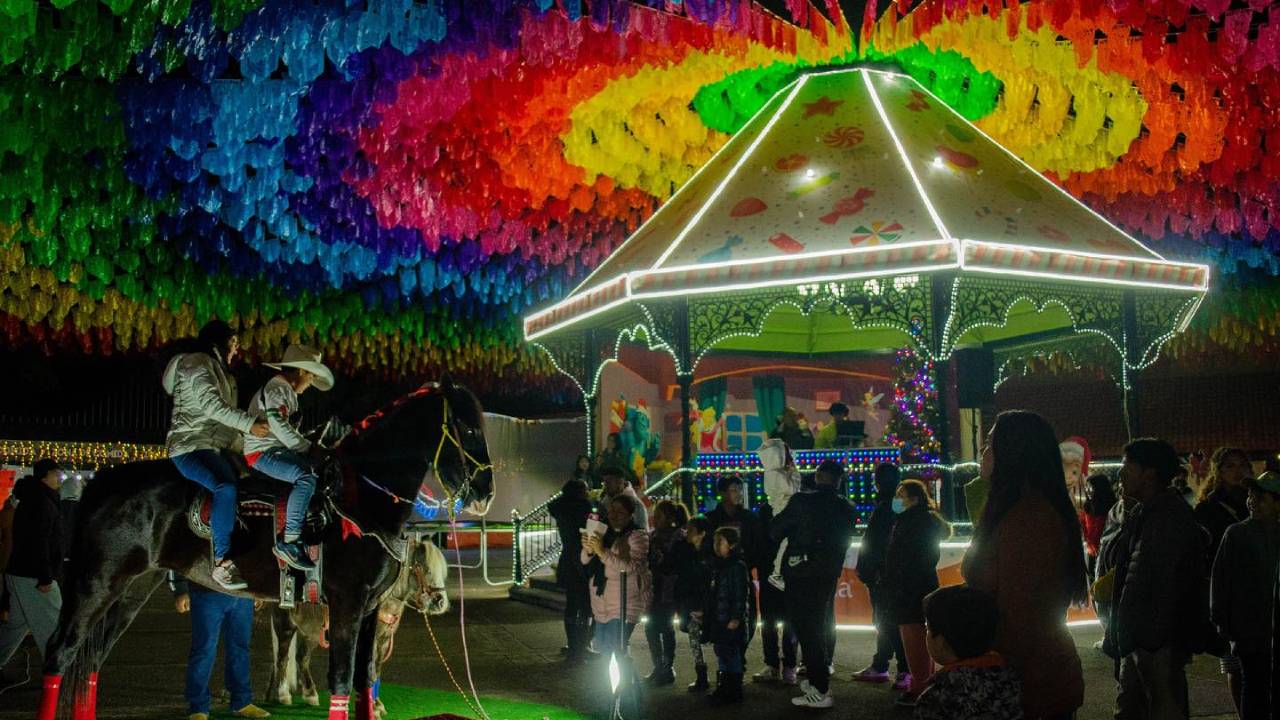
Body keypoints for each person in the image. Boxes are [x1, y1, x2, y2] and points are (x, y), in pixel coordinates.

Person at [962, 410, 1088, 720]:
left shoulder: (1031, 517)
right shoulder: (1015, 509)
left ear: (1013, 452)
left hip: (1028, 685)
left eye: (990, 443)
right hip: (1022, 677)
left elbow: (1021, 615)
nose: (983, 452)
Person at [164, 320, 271, 591]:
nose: (236, 350)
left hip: (211, 446)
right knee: (224, 487)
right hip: (189, 446)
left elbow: (224, 427)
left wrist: (246, 447)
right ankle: (222, 561)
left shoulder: (222, 374)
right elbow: (212, 407)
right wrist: (249, 425)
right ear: (219, 343)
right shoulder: (197, 363)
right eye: (233, 344)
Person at [1109, 437, 1211, 720]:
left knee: (1163, 707)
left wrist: (1149, 639)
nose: (1120, 473)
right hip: (1143, 639)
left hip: (1155, 641)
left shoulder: (1168, 519)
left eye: (1127, 466)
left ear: (1149, 473)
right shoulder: (1146, 513)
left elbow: (1166, 585)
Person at [770, 459, 857, 709]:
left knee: (807, 629)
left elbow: (776, 530)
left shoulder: (802, 502)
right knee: (819, 625)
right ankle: (818, 679)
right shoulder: (847, 508)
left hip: (800, 573)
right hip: (827, 574)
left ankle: (820, 689)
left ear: (818, 475)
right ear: (839, 480)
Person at [243, 344, 334, 572]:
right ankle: (290, 541)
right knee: (306, 477)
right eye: (312, 376)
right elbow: (279, 427)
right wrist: (307, 448)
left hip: (275, 450)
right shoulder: (278, 389)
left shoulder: (285, 391)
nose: (311, 382)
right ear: (302, 371)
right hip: (262, 453)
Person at [1211, 470, 1280, 720]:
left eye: (1261, 497)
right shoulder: (1237, 534)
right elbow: (1221, 580)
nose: (1252, 501)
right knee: (1254, 688)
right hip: (1250, 632)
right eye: (1251, 495)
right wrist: (1222, 622)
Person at [883, 479, 952, 706]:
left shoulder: (913, 522)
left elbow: (907, 557)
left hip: (909, 587)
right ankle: (924, 682)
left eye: (901, 495)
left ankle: (920, 686)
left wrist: (893, 578)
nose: (897, 499)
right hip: (919, 584)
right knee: (921, 635)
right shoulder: (921, 520)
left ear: (914, 499)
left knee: (912, 636)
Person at [169, 572, 270, 720]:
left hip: (242, 593)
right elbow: (177, 552)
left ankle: (242, 702)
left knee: (240, 648)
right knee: (204, 650)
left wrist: (259, 588)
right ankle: (198, 707)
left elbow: (255, 552)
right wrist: (180, 589)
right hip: (206, 591)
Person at [914, 585, 1023, 720]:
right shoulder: (1011, 677)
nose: (926, 634)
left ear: (941, 643)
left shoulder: (936, 698)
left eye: (927, 629)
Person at [0, 460, 64, 668]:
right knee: (52, 625)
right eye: (57, 475)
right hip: (33, 575)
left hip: (18, 571)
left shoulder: (32, 498)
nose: (60, 480)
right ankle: (58, 673)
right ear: (45, 476)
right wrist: (45, 577)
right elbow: (39, 541)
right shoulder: (42, 502)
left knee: (16, 625)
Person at [853, 463, 909, 688]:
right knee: (888, 621)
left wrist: (867, 569)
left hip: (882, 575)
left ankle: (902, 668)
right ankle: (884, 664)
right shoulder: (898, 508)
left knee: (887, 621)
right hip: (889, 574)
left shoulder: (884, 509)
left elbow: (874, 543)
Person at [581, 494, 651, 661]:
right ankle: (617, 686)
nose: (614, 514)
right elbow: (584, 560)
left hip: (624, 604)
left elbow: (631, 567)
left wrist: (601, 552)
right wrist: (588, 548)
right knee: (604, 650)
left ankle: (628, 685)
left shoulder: (637, 536)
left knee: (615, 650)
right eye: (612, 510)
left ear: (630, 514)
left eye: (620, 511)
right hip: (601, 602)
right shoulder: (603, 532)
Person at [549, 479, 594, 663]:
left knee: (572, 606)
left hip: (568, 559)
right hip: (581, 560)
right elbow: (589, 530)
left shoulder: (560, 508)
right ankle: (580, 646)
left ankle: (574, 645)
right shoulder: (583, 508)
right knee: (585, 607)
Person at [706, 527, 752, 704]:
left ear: (732, 545)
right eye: (715, 541)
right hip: (719, 617)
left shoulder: (737, 566)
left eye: (721, 542)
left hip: (729, 618)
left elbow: (741, 594)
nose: (717, 546)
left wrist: (736, 617)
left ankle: (733, 689)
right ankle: (724, 687)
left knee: (731, 653)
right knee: (722, 652)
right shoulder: (718, 565)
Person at [645, 499, 688, 685]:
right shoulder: (652, 536)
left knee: (666, 628)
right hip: (652, 588)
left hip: (668, 590)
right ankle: (658, 666)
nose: (655, 518)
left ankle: (667, 667)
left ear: (670, 517)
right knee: (650, 628)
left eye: (660, 515)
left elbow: (676, 565)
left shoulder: (679, 537)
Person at [675, 517, 715, 693]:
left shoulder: (709, 556)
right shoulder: (686, 551)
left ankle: (721, 676)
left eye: (691, 530)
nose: (686, 533)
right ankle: (701, 675)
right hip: (691, 602)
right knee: (694, 639)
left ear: (702, 534)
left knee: (711, 639)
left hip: (704, 603)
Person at [1195, 447, 1252, 563]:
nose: (1238, 471)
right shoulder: (1208, 507)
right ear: (1219, 471)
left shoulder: (1255, 501)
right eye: (1230, 466)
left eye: (1242, 465)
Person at [1083, 473, 1119, 577]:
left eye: (1091, 487)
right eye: (1087, 487)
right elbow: (1087, 531)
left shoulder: (1111, 507)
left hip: (1105, 554)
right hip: (1091, 553)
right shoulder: (1088, 506)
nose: (1088, 490)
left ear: (1099, 488)